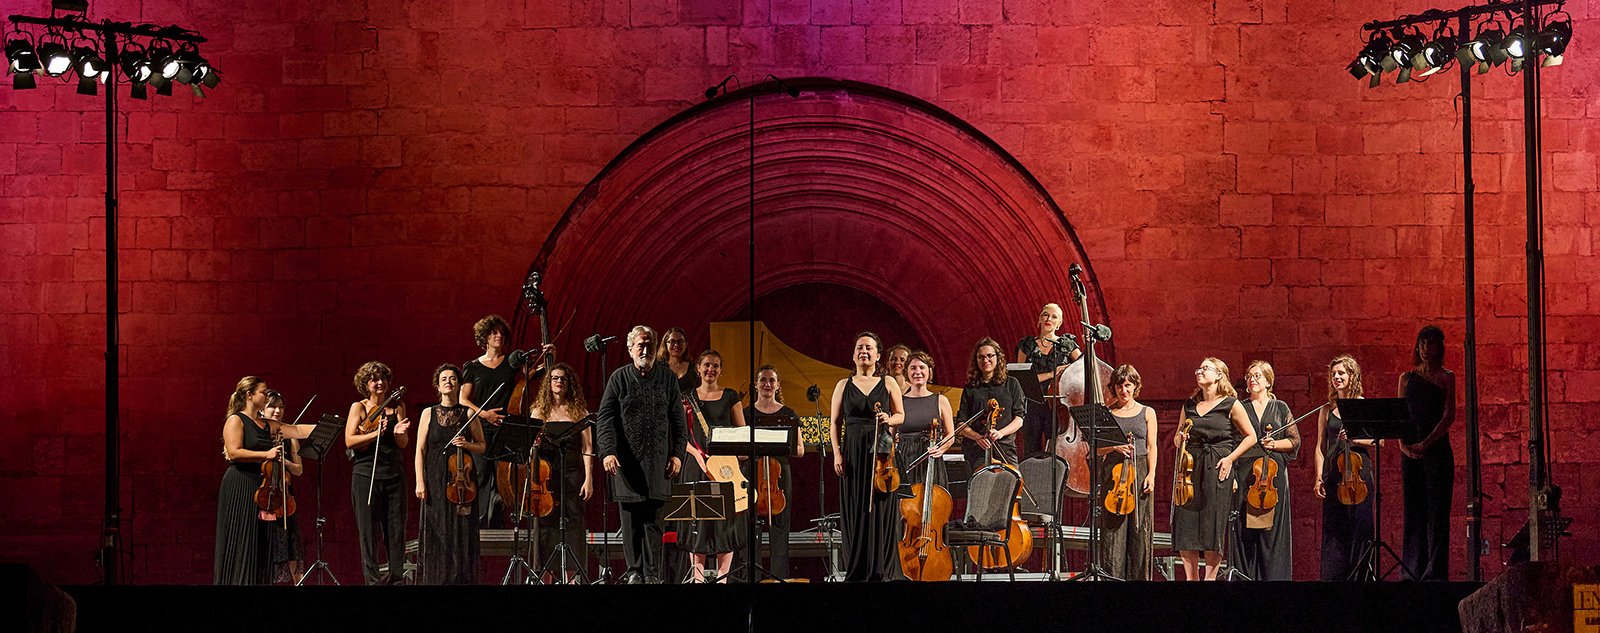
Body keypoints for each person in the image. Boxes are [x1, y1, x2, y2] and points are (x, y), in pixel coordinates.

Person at [596, 326, 688, 584]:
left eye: (649, 345)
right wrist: (607, 452)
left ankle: (652, 573)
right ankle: (634, 571)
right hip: (626, 463)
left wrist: (677, 454)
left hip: (659, 463)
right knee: (630, 521)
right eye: (640, 345)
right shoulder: (618, 378)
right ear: (630, 349)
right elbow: (605, 419)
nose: (645, 350)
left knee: (653, 522)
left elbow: (678, 421)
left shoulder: (667, 378)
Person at [1171, 357, 1258, 581]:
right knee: (1186, 524)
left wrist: (1230, 459)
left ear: (1219, 375)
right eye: (1198, 369)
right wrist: (1181, 438)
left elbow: (1251, 437)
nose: (1199, 372)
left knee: (1213, 524)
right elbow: (1177, 439)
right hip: (1189, 470)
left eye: (1205, 368)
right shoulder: (1189, 404)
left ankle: (1210, 579)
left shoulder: (1231, 404)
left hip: (1218, 467)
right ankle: (1191, 579)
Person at [829, 331, 906, 581]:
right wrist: (837, 453)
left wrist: (888, 418)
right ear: (853, 355)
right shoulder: (843, 385)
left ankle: (882, 569)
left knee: (880, 507)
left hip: (880, 455)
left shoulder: (889, 382)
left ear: (878, 355)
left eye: (869, 348)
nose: (864, 351)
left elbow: (901, 415)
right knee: (855, 508)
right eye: (860, 347)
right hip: (852, 453)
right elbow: (834, 422)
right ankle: (858, 569)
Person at [414, 364, 485, 585]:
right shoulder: (428, 413)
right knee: (437, 530)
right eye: (444, 379)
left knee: (461, 531)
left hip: (462, 481)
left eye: (453, 378)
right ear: (438, 386)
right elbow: (420, 450)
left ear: (459, 384)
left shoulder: (469, 413)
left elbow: (482, 446)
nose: (448, 382)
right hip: (434, 479)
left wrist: (467, 445)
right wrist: (420, 481)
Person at [1230, 361, 1299, 581]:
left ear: (1269, 381)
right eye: (1249, 376)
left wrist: (1274, 444)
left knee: (1272, 533)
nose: (1252, 379)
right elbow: (1232, 441)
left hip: (1273, 477)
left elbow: (1294, 441)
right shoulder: (1239, 407)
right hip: (1245, 474)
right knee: (1245, 531)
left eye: (1258, 376)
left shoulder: (1280, 407)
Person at [345, 361, 412, 585]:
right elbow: (350, 440)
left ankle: (396, 580)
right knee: (368, 533)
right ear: (366, 384)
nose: (380, 382)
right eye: (374, 379)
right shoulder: (359, 407)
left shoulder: (397, 406)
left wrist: (398, 432)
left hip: (394, 475)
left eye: (382, 378)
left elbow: (402, 443)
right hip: (366, 475)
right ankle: (372, 582)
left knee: (396, 531)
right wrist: (376, 434)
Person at [682, 350, 746, 582]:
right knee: (697, 521)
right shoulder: (686, 397)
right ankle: (698, 578)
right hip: (696, 465)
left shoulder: (730, 396)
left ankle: (722, 579)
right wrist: (697, 455)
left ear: (721, 370)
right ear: (698, 368)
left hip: (724, 467)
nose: (711, 369)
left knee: (724, 522)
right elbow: (680, 436)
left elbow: (741, 432)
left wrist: (733, 459)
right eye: (707, 365)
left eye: (716, 366)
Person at [530, 362, 595, 583]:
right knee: (546, 529)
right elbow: (531, 448)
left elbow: (587, 448)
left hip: (573, 474)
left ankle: (572, 580)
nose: (559, 381)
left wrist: (589, 478)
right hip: (546, 478)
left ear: (569, 384)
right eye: (555, 378)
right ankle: (545, 579)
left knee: (574, 526)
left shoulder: (579, 412)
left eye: (563, 379)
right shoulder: (539, 411)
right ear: (548, 383)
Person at [1400, 325, 1455, 581]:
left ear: (1438, 347)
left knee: (1437, 512)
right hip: (1410, 452)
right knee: (1414, 511)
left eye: (1430, 343)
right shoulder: (1406, 378)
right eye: (1422, 343)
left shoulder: (1446, 377)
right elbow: (1400, 414)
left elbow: (1448, 415)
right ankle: (1412, 569)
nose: (1425, 348)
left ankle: (1434, 572)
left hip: (1437, 451)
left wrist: (1426, 443)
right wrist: (1404, 445)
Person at [1315, 354, 1374, 581]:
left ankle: (1359, 579)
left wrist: (1354, 438)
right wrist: (1318, 477)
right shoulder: (1326, 409)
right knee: (1334, 528)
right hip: (1333, 474)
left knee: (1359, 526)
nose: (1337, 377)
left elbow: (1378, 441)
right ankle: (1333, 580)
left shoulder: (1361, 404)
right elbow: (1320, 447)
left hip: (1358, 474)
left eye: (1341, 373)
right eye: (1334, 374)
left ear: (1352, 376)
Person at [214, 377, 278, 585]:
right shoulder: (236, 420)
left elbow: (296, 430)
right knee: (242, 539)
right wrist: (266, 454)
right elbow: (234, 452)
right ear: (249, 395)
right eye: (263, 392)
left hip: (261, 485)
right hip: (240, 483)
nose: (266, 395)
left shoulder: (266, 424)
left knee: (259, 543)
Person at [1096, 365, 1157, 581]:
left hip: (1139, 471)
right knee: (1113, 532)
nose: (1124, 390)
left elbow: (1151, 446)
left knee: (1141, 529)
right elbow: (1096, 450)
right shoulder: (1107, 413)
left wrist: (1151, 474)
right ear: (1114, 387)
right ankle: (1112, 578)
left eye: (1128, 385)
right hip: (1114, 474)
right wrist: (1114, 447)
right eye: (1120, 386)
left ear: (1135, 386)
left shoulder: (1147, 412)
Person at [744, 364, 804, 578]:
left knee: (780, 528)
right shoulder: (746, 413)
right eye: (763, 380)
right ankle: (753, 578)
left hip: (779, 476)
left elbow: (800, 450)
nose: (767, 384)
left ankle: (779, 578)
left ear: (778, 385)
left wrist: (779, 445)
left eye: (772, 380)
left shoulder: (788, 414)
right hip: (752, 473)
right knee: (751, 528)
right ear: (756, 384)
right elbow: (739, 451)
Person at [1015, 303, 1080, 454]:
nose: (1048, 319)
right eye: (1045, 315)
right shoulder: (1027, 345)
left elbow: (1083, 367)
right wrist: (1051, 374)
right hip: (1032, 404)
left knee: (1057, 449)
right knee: (1031, 449)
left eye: (1054, 317)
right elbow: (1021, 378)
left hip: (1059, 405)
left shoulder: (1067, 344)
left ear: (1059, 323)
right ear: (1039, 319)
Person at [956, 338, 1026, 468]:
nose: (985, 360)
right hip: (977, 449)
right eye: (981, 357)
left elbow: (1019, 419)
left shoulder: (1011, 384)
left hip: (1004, 447)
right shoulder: (971, 388)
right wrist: (977, 437)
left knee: (1014, 479)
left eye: (990, 356)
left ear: (998, 358)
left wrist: (1000, 433)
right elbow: (961, 424)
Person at [260, 390, 305, 584]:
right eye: (272, 406)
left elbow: (299, 470)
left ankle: (299, 583)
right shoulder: (257, 434)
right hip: (264, 494)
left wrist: (284, 462)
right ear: (262, 409)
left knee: (291, 545)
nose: (277, 411)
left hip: (285, 498)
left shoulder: (290, 435)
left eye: (281, 407)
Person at [895, 351, 954, 487]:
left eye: (922, 367)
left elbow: (950, 435)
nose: (918, 372)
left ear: (929, 371)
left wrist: (941, 449)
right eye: (913, 368)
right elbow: (891, 437)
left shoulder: (941, 400)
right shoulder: (899, 402)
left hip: (931, 460)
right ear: (907, 372)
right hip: (905, 461)